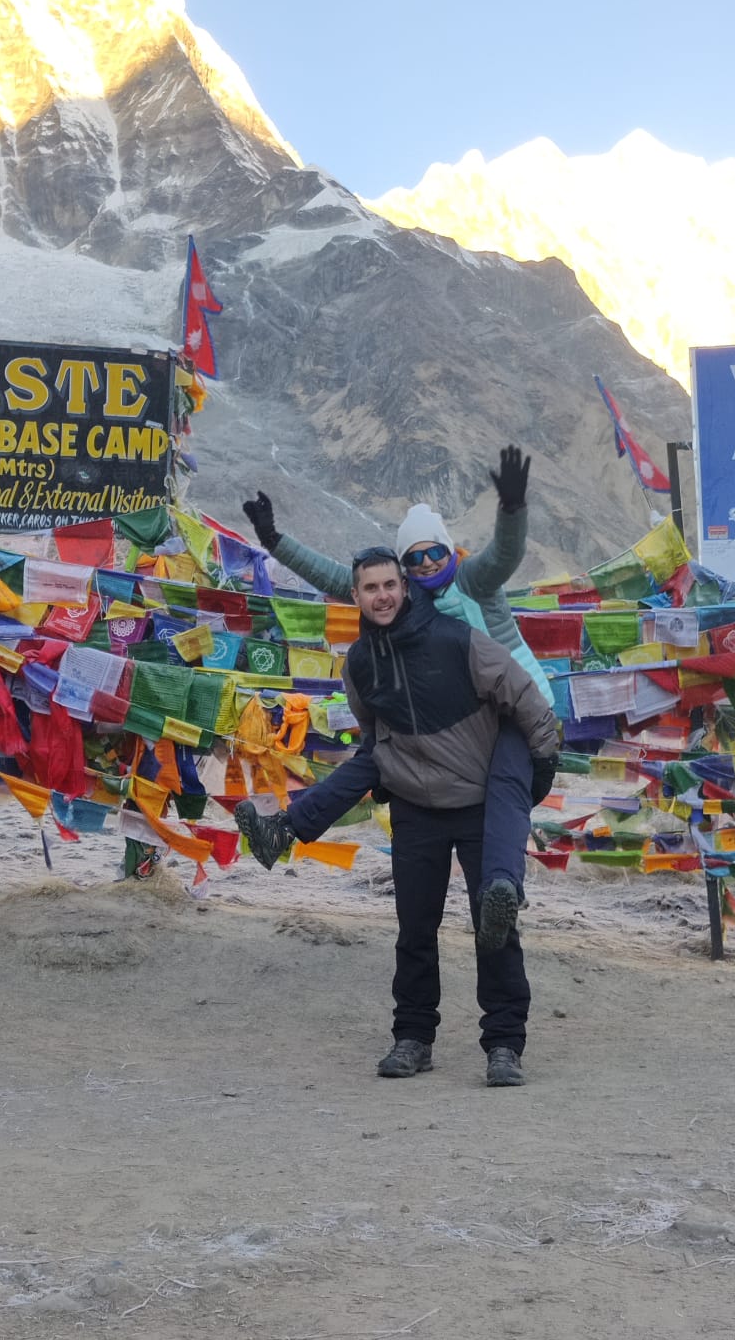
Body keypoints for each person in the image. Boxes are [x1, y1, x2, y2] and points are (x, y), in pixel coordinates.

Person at [235, 547, 558, 1087]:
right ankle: (413, 1038)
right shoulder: (360, 663)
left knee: (495, 926)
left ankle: (504, 1045)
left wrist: (538, 770)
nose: (382, 596)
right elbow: (373, 733)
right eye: (370, 588)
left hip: (479, 802)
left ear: (405, 588)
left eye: (390, 585)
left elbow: (525, 698)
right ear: (356, 596)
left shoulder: (457, 640)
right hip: (415, 809)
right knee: (414, 931)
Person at [241, 449, 553, 935]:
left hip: (517, 706)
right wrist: (274, 541)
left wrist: (512, 509)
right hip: (453, 715)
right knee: (376, 755)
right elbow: (339, 578)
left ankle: (502, 890)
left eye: (435, 552)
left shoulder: (474, 580)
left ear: (449, 550)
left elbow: (505, 554)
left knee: (506, 785)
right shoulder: (409, 596)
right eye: (415, 558)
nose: (427, 564)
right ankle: (283, 829)